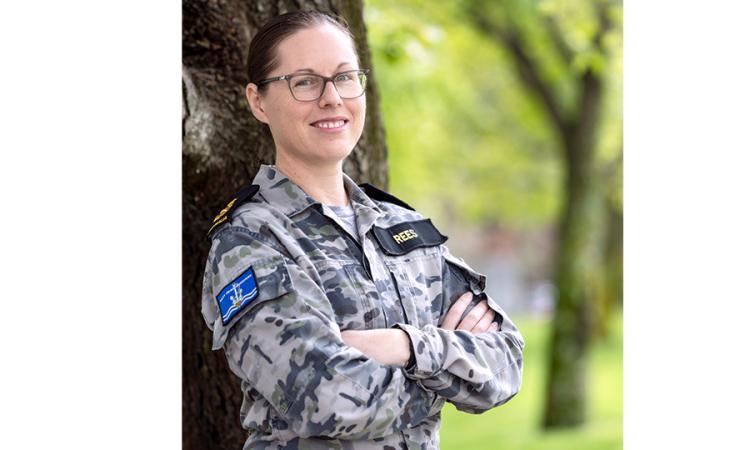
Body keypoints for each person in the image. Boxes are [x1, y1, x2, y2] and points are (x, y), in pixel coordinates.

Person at [200, 10, 525, 450]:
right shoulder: (252, 240)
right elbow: (329, 398)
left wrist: (405, 346)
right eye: (304, 82)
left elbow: (506, 363)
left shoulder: (404, 230)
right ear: (258, 101)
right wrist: (447, 373)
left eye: (345, 77)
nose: (332, 98)